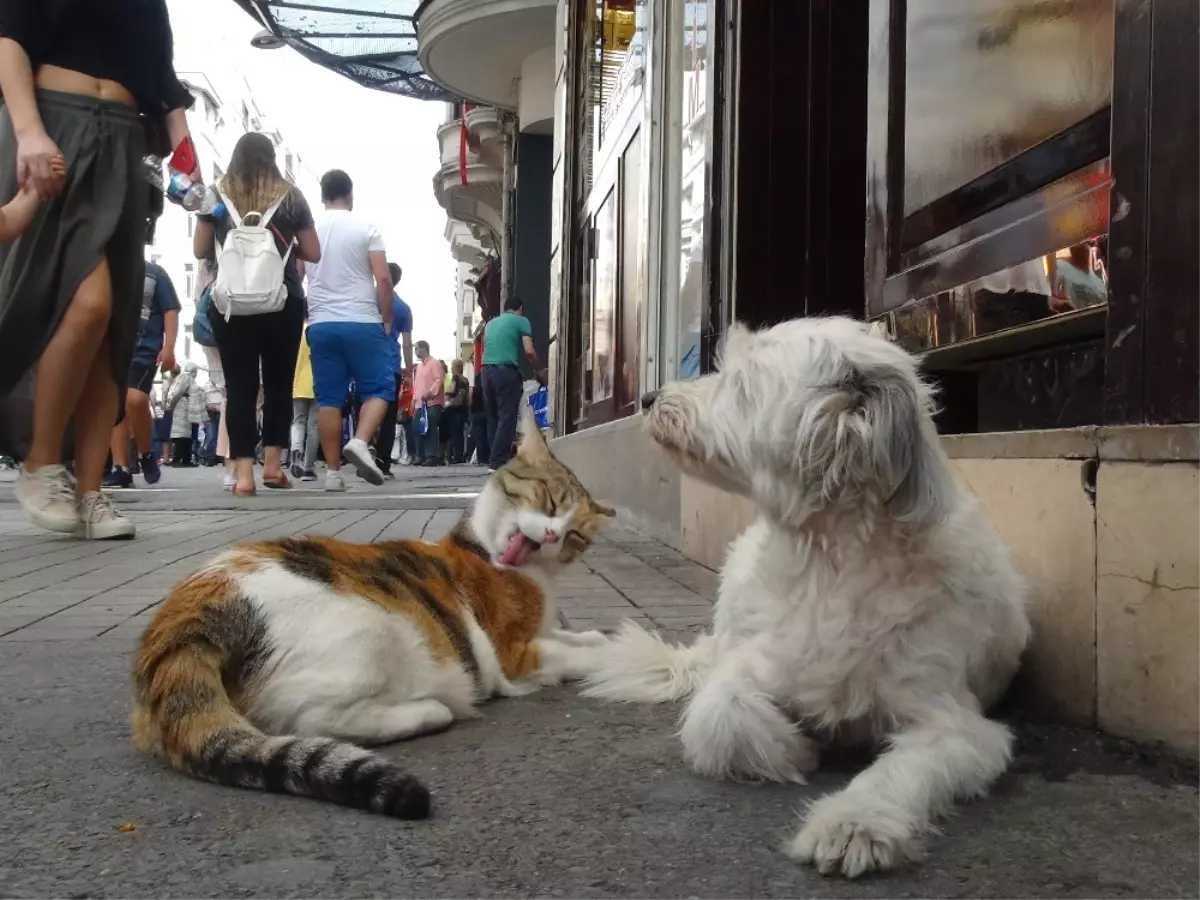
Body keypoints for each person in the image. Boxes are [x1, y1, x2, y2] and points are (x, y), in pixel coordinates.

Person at [0, 0, 198, 539]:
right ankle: (42, 463)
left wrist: (187, 163)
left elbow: (165, 85)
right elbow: (9, 40)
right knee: (91, 305)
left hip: (123, 143)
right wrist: (29, 131)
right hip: (54, 128)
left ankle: (90, 490)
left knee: (111, 331)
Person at [194, 132, 321, 496]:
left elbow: (201, 248)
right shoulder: (292, 196)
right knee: (280, 386)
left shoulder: (214, 196)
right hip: (282, 300)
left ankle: (244, 477)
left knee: (240, 387)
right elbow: (312, 252)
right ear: (272, 159)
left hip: (230, 303)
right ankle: (272, 467)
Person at [303, 169, 394, 492]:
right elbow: (383, 278)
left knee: (329, 399)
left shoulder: (309, 229)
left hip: (322, 323)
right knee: (380, 388)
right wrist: (386, 317)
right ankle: (359, 440)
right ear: (349, 194)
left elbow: (299, 271)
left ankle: (331, 475)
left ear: (323, 195)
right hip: (362, 320)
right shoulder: (366, 228)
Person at [102, 261, 178, 488]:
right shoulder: (104, 269)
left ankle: (146, 453)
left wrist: (169, 347)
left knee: (135, 399)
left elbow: (170, 310)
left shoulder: (155, 273)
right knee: (115, 407)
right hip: (112, 349)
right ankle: (120, 467)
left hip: (145, 350)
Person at [481, 296, 542, 470]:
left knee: (493, 417)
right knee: (507, 417)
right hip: (505, 372)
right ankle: (497, 462)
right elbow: (529, 351)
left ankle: (492, 459)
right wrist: (539, 369)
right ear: (520, 309)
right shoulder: (521, 321)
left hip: (485, 371)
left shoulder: (490, 324)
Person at [373, 261, 412, 478]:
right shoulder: (404, 308)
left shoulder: (369, 300)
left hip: (368, 361)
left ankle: (364, 446)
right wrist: (408, 372)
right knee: (388, 417)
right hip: (392, 364)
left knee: (364, 406)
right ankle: (383, 463)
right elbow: (407, 343)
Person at [290, 321, 319, 481]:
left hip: (299, 382)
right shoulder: (318, 330)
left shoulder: (296, 332)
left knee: (298, 421)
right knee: (314, 426)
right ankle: (308, 468)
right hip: (318, 382)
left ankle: (296, 448)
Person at [411, 341, 445, 467]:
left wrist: (431, 393)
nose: (415, 351)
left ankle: (432, 456)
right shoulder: (418, 367)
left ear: (423, 349)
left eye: (416, 348)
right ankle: (420, 455)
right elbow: (417, 386)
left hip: (432, 402)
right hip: (420, 404)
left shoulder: (434, 363)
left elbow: (438, 380)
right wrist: (414, 401)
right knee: (416, 428)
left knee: (430, 426)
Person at [166, 360, 203, 466]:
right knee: (182, 436)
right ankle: (179, 459)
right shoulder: (186, 378)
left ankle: (185, 459)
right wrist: (172, 404)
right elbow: (178, 392)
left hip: (184, 406)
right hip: (182, 406)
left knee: (185, 435)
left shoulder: (183, 378)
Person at [443, 359, 469, 464]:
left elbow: (453, 391)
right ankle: (460, 455)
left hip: (453, 408)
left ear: (456, 367)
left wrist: (446, 392)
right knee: (460, 432)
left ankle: (455, 455)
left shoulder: (455, 377)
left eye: (452, 366)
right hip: (463, 408)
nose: (451, 368)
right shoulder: (465, 379)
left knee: (453, 432)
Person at [464, 372, 488, 466]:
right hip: (486, 413)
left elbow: (470, 403)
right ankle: (487, 458)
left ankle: (480, 458)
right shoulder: (488, 389)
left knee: (479, 438)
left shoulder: (473, 390)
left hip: (475, 415)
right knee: (487, 436)